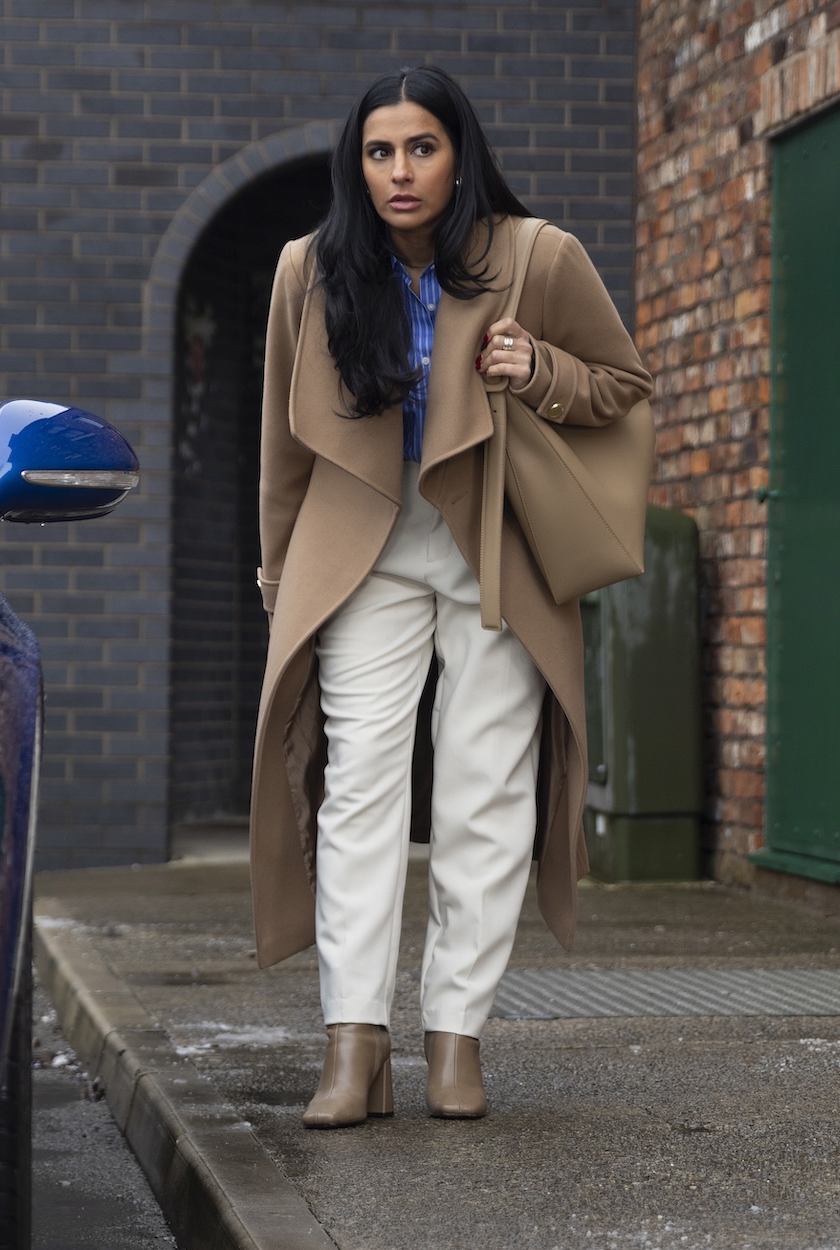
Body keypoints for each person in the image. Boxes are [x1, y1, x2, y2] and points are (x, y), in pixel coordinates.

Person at [248, 66, 652, 1125]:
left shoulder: (536, 255)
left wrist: (541, 367)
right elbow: (282, 449)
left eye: (420, 148)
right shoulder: (311, 269)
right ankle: (355, 1040)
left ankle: (456, 1036)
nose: (399, 172)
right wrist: (278, 575)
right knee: (361, 792)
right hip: (362, 549)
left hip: (497, 546)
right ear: (358, 165)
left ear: (458, 155)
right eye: (379, 152)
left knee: (486, 792)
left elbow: (622, 385)